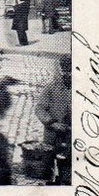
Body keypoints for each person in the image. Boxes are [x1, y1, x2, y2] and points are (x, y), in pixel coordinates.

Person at [35, 54, 72, 184]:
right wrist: (52, 123)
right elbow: (39, 109)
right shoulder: (52, 88)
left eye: (71, 71)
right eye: (65, 71)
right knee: (47, 171)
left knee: (67, 171)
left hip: (71, 138)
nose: (68, 75)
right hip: (52, 136)